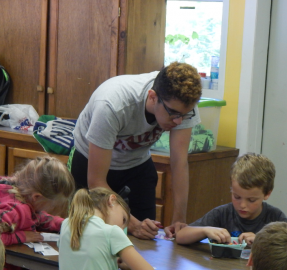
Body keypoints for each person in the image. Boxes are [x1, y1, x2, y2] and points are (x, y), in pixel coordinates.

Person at [69, 61, 202, 239]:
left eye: (184, 115)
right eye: (174, 114)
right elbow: (96, 182)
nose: (179, 121)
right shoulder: (112, 105)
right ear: (153, 97)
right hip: (89, 162)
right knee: (91, 236)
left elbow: (179, 163)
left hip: (136, 163)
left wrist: (179, 220)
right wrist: (131, 224)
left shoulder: (182, 106)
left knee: (146, 236)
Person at [176, 153, 287, 245]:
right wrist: (205, 230)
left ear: (267, 193)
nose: (242, 205)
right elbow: (181, 236)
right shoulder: (221, 213)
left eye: (251, 200)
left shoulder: (276, 218)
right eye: (237, 197)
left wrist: (262, 242)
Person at [0, 156, 75, 246]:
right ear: (36, 197)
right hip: (1, 262)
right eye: (53, 205)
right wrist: (21, 237)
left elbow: (37, 217)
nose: (53, 209)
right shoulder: (14, 209)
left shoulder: (24, 198)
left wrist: (64, 224)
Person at [58, 187, 154, 270]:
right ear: (112, 200)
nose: (121, 229)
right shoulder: (112, 232)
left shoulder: (66, 224)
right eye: (123, 220)